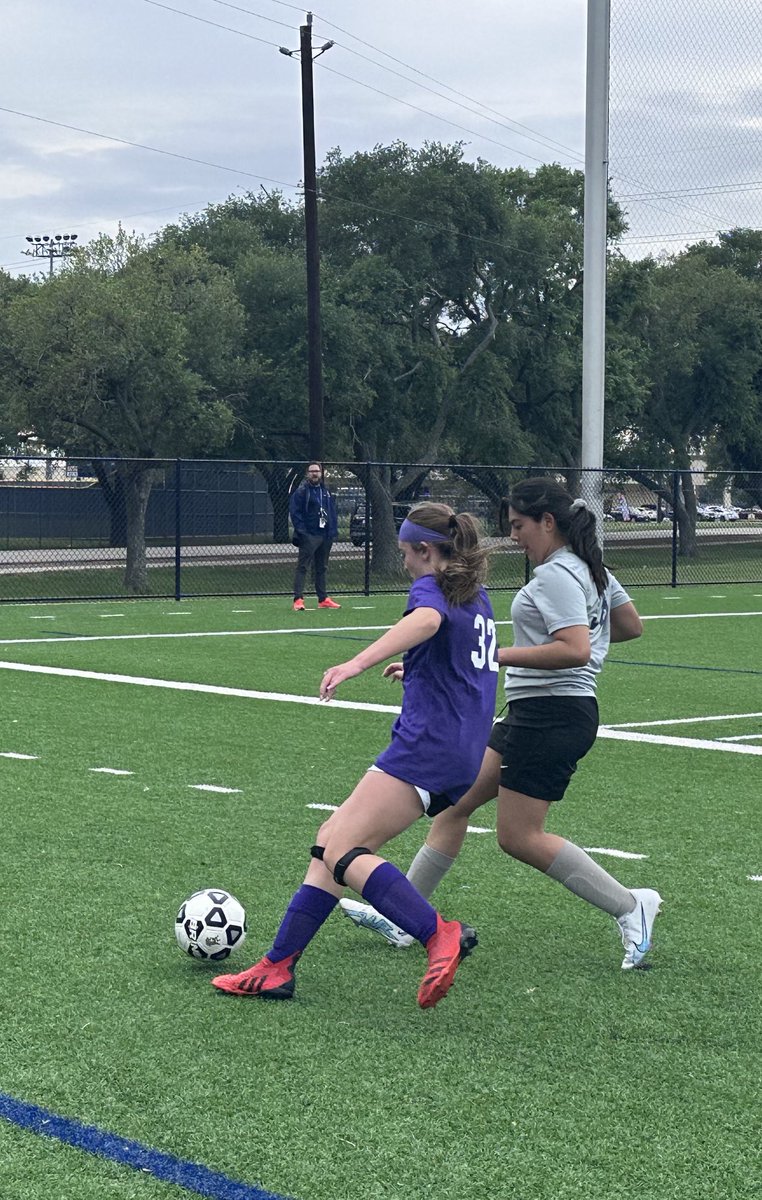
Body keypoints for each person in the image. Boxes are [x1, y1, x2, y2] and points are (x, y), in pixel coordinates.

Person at [340, 478, 662, 971]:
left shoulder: (556, 575)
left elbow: (575, 648)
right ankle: (409, 921)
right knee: (454, 808)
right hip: (531, 713)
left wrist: (490, 656)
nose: (513, 537)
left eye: (518, 526)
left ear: (547, 522)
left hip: (554, 716)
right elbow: (629, 626)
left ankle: (630, 905)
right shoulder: (590, 569)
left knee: (519, 836)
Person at [212, 503, 500, 1008]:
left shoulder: (432, 590)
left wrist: (356, 663)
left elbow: (428, 621)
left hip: (427, 748)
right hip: (459, 748)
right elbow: (464, 661)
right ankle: (277, 966)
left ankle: (439, 934)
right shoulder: (475, 597)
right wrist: (418, 671)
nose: (404, 562)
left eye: (407, 553)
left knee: (344, 850)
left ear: (426, 551)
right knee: (329, 841)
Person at [289, 462, 340, 611]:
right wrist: (303, 532)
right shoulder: (302, 492)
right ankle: (298, 599)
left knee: (322, 567)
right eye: (312, 471)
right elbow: (295, 513)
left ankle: (323, 598)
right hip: (310, 535)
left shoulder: (325, 491)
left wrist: (332, 530)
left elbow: (330, 511)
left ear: (321, 473)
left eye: (317, 471)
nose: (314, 474)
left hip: (325, 534)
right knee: (303, 567)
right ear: (307, 474)